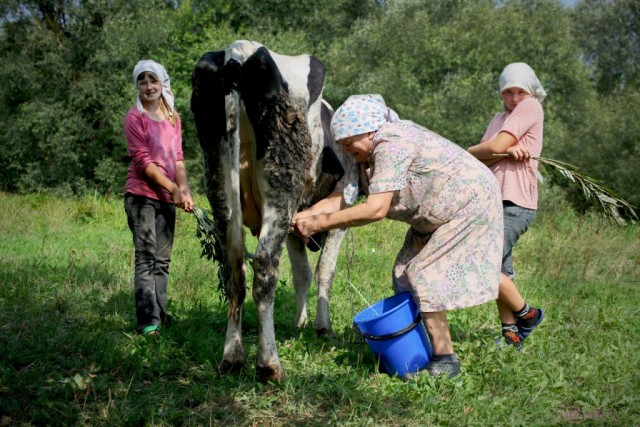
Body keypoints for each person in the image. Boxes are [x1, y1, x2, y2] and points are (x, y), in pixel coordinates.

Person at [291, 94, 504, 379]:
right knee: (403, 273)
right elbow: (342, 197)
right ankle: (413, 350)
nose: (345, 152)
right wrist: (303, 216)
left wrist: (319, 224)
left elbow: (375, 209)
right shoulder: (361, 156)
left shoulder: (392, 142)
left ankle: (445, 360)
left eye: (348, 145)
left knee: (424, 273)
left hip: (468, 205)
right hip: (433, 215)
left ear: (366, 130)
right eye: (341, 146)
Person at [467, 62, 546, 347]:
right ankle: (511, 335)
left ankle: (529, 315)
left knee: (485, 262)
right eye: (507, 92)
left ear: (531, 91)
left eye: (519, 92)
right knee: (499, 267)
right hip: (492, 199)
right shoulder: (499, 119)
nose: (514, 98)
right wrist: (501, 151)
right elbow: (479, 156)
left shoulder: (531, 107)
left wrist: (494, 149)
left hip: (515, 201)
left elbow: (487, 149)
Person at [123, 59, 194, 337]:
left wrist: (184, 189)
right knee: (146, 258)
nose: (148, 86)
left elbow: (178, 159)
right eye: (142, 81)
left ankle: (160, 316)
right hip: (141, 197)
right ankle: (147, 321)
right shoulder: (134, 118)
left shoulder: (173, 119)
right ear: (137, 86)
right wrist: (173, 189)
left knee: (163, 261)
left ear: (162, 83)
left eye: (153, 80)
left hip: (167, 198)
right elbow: (143, 162)